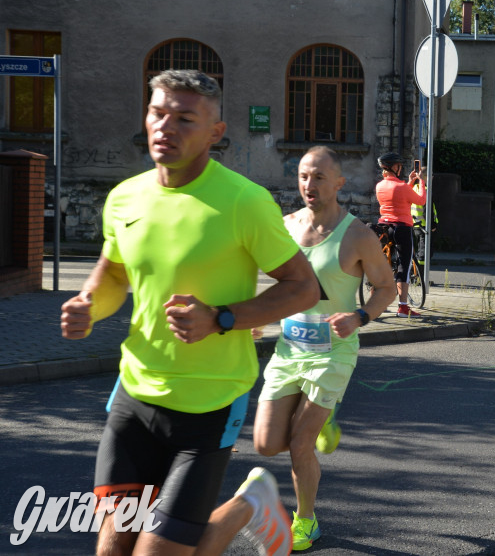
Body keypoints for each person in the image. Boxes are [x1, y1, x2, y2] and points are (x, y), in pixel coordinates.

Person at [60, 70, 320, 556]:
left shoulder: (245, 202)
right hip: (134, 397)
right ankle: (252, 504)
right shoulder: (125, 198)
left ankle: (247, 507)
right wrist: (88, 307)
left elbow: (303, 288)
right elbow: (113, 275)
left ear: (215, 133)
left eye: (184, 118)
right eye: (158, 113)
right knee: (113, 550)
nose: (166, 127)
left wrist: (221, 317)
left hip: (208, 406)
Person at [253, 146, 396, 551]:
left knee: (299, 443)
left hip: (334, 349)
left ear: (338, 182)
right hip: (289, 347)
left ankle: (306, 521)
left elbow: (385, 288)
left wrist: (360, 317)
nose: (308, 185)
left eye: (318, 177)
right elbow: (267, 278)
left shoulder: (358, 235)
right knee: (265, 443)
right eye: (302, 176)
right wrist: (253, 317)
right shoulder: (284, 227)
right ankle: (323, 425)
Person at [375, 152, 426, 317]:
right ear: (393, 167)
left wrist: (410, 182)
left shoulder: (380, 186)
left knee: (381, 263)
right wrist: (421, 182)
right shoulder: (402, 187)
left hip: (384, 226)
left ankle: (376, 303)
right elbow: (420, 200)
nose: (401, 168)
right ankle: (403, 307)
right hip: (402, 227)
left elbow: (397, 196)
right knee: (404, 264)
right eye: (399, 166)